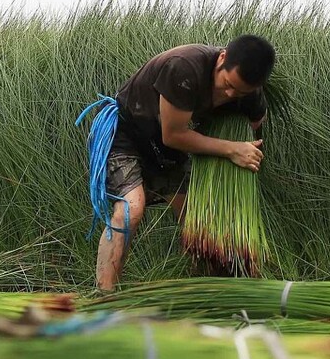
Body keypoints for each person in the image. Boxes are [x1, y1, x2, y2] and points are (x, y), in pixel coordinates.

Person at [96, 35, 276, 290]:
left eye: (240, 92)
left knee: (197, 219)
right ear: (222, 58)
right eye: (227, 84)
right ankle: (104, 296)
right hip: (128, 132)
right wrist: (232, 149)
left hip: (166, 149)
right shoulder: (184, 68)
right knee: (131, 210)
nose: (230, 94)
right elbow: (173, 135)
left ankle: (209, 290)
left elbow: (256, 122)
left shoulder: (249, 91)